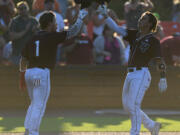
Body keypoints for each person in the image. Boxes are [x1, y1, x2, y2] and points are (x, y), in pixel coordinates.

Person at [98, 6, 167, 135]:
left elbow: (159, 60)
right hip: (130, 74)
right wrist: (106, 17)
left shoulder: (153, 40)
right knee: (127, 106)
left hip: (142, 73)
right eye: (141, 18)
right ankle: (152, 126)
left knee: (133, 105)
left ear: (150, 23)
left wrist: (163, 77)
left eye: (144, 19)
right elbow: (117, 29)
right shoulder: (134, 34)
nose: (140, 20)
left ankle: (134, 132)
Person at [19, 9, 88, 135]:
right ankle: (33, 132)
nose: (57, 25)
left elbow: (23, 58)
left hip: (29, 73)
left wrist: (22, 77)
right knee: (39, 105)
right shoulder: (52, 36)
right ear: (50, 23)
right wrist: (80, 18)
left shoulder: (32, 38)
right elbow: (73, 31)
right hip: (40, 74)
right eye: (55, 22)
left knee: (34, 103)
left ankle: (27, 130)